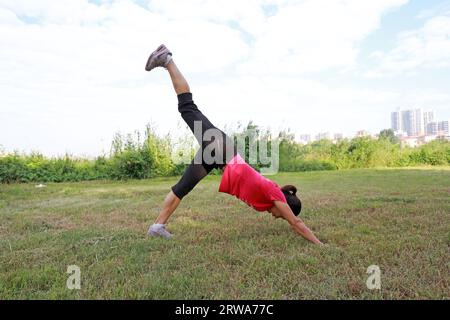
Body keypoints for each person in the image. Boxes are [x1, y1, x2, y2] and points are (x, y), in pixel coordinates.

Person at [145, 44, 322, 245]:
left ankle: (157, 227)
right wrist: (320, 244)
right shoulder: (273, 194)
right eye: (280, 215)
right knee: (187, 107)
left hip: (219, 157)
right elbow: (297, 223)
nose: (275, 217)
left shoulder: (269, 192)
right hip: (220, 148)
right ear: (284, 205)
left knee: (182, 188)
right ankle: (167, 59)